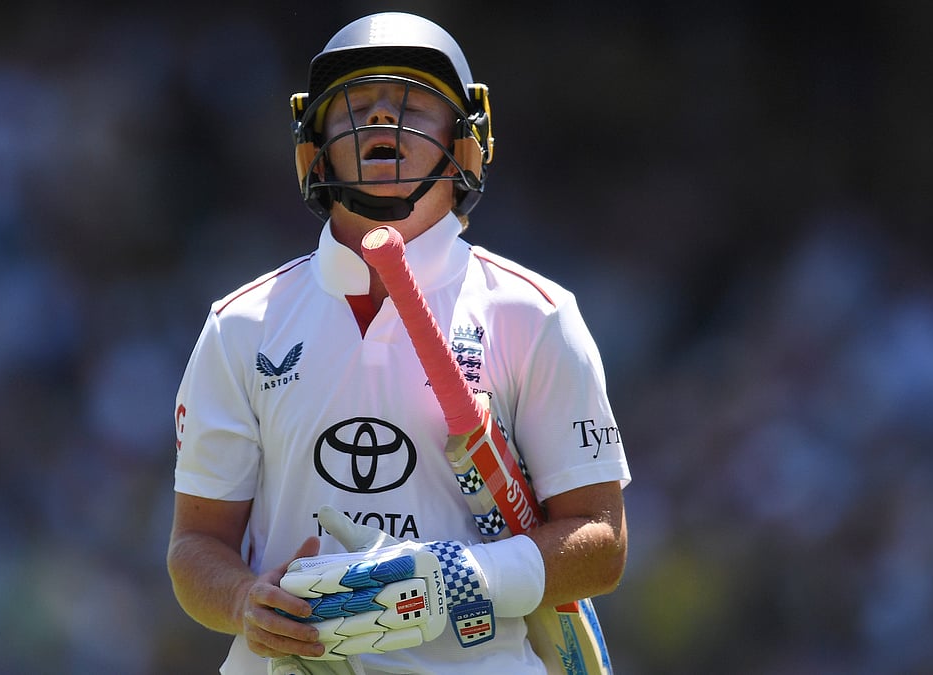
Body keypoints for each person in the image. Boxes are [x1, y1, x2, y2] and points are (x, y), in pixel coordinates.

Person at [168, 11, 630, 674]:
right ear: (314, 143)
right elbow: (195, 546)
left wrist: (460, 576)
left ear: (466, 141)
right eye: (356, 104)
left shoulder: (536, 314)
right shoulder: (241, 324)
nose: (383, 119)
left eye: (412, 104)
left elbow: (602, 543)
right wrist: (245, 599)